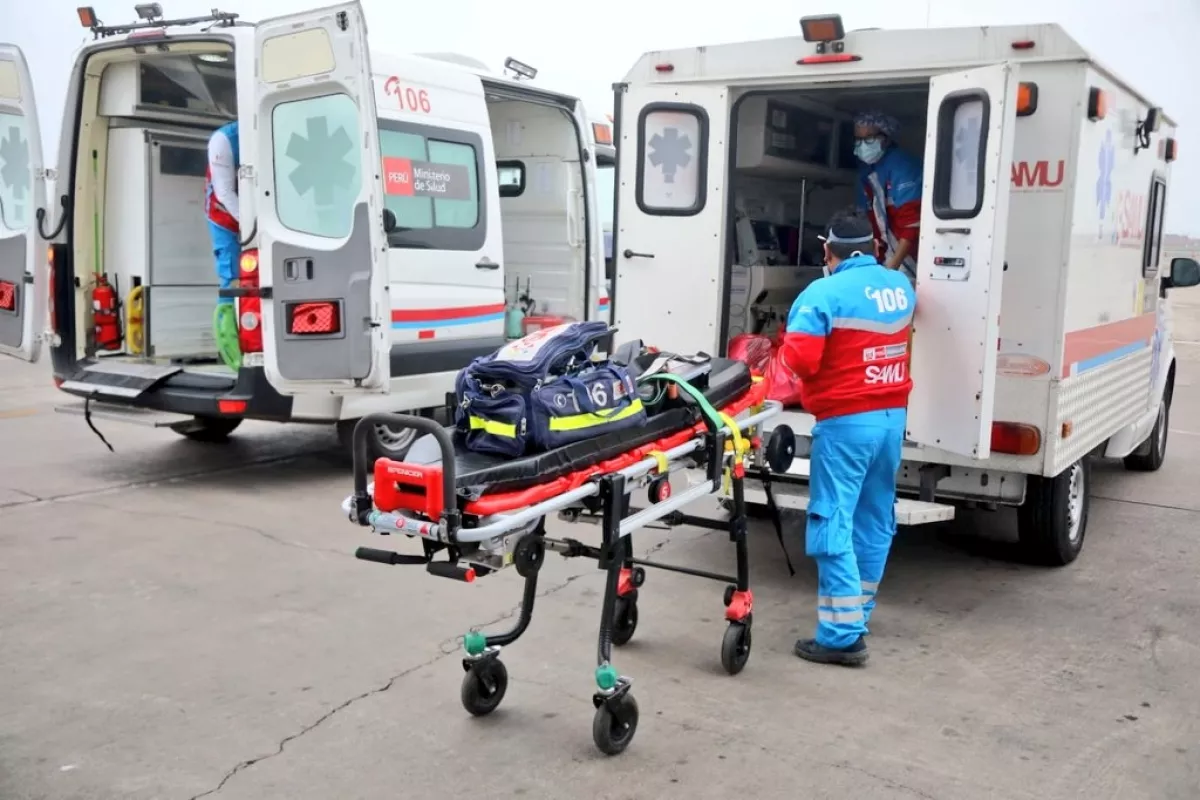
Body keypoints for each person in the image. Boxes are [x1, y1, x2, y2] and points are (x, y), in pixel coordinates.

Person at [778, 213, 916, 667]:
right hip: (891, 419)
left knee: (831, 520)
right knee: (875, 519)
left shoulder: (822, 293)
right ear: (873, 247)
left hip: (846, 424)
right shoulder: (900, 287)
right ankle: (858, 612)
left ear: (827, 251)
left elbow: (800, 361)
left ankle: (841, 636)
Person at [852, 111, 922, 281]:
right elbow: (867, 221)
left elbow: (911, 227)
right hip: (886, 254)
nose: (863, 145)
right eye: (858, 139)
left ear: (886, 138)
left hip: (911, 258)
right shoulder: (867, 172)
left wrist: (890, 271)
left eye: (869, 138)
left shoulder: (903, 167)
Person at [206, 120, 242, 370]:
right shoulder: (224, 139)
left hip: (251, 212)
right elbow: (225, 193)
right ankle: (233, 356)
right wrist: (254, 227)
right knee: (232, 282)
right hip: (224, 218)